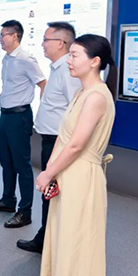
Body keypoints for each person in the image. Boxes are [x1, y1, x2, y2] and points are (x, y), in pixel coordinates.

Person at [37, 34, 116, 276]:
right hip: (67, 172)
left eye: (74, 55)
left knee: (76, 238)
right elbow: (63, 137)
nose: (69, 61)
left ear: (95, 61)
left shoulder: (96, 97)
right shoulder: (81, 93)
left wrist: (47, 173)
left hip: (81, 176)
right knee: (63, 234)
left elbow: (76, 145)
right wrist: (51, 170)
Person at [17, 22, 81, 253]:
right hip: (51, 141)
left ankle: (48, 241)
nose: (42, 44)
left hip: (58, 143)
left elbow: (77, 113)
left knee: (52, 193)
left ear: (61, 43)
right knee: (50, 193)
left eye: (46, 39)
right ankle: (47, 238)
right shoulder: (57, 68)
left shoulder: (68, 72)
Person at [0, 20, 46, 228]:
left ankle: (25, 212)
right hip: (6, 116)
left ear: (15, 36)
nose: (0, 39)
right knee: (6, 161)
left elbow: (43, 84)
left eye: (3, 35)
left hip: (20, 117)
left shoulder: (26, 59)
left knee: (22, 165)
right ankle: (8, 200)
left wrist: (44, 112)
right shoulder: (7, 58)